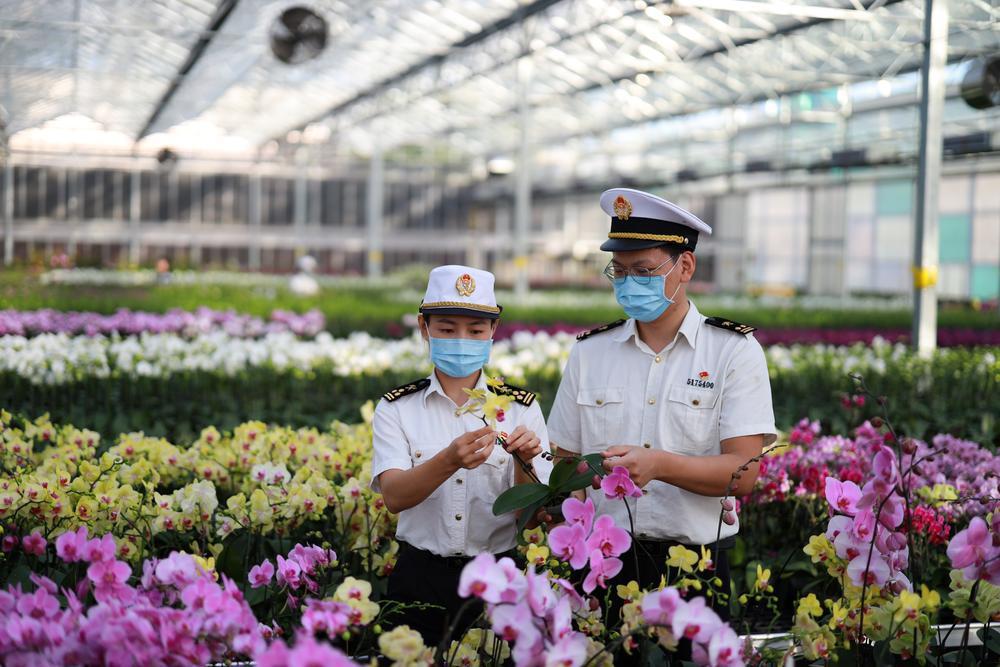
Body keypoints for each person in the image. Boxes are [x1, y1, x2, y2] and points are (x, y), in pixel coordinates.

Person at [546, 188, 777, 625]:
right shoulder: (590, 353)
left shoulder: (732, 352)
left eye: (644, 270)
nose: (630, 282)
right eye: (619, 270)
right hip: (603, 565)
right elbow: (564, 464)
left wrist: (659, 466)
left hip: (694, 567)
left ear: (685, 265)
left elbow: (744, 474)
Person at [371, 264, 553, 650]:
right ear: (425, 329)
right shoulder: (397, 409)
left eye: (475, 330)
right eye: (447, 329)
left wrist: (524, 463)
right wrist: (448, 460)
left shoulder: (520, 409)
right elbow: (394, 497)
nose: (461, 340)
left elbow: (530, 519)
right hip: (419, 576)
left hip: (497, 574)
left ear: (492, 332)